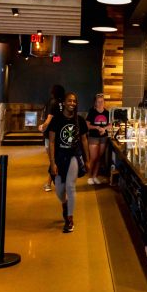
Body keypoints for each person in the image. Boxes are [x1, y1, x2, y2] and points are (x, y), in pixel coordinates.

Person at [48, 92, 88, 234]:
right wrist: (52, 163)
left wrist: (87, 160)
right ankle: (65, 205)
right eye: (69, 101)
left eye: (74, 101)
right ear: (64, 103)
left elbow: (84, 140)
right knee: (59, 189)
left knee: (70, 186)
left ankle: (69, 218)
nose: (72, 103)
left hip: (74, 156)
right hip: (59, 157)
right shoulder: (56, 119)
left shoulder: (80, 120)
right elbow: (51, 141)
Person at [37, 84, 66, 192]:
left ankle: (50, 183)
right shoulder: (64, 103)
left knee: (53, 160)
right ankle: (53, 182)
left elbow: (49, 119)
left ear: (53, 92)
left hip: (51, 135)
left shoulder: (52, 103)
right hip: (61, 135)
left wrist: (42, 127)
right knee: (56, 160)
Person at [85, 93, 110, 185]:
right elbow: (87, 125)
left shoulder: (107, 113)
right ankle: (90, 176)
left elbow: (110, 124)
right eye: (98, 102)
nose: (100, 103)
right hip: (93, 137)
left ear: (104, 102)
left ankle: (95, 176)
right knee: (94, 158)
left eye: (102, 101)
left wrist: (104, 129)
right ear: (95, 103)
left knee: (99, 157)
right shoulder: (92, 111)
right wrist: (97, 127)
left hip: (103, 137)